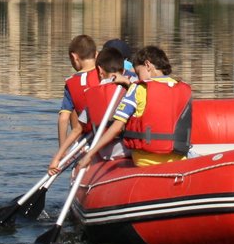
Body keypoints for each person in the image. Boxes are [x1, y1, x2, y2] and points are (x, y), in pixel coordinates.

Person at [78, 45, 193, 169]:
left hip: (145, 160)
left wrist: (89, 154)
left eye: (138, 72)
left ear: (148, 65)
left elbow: (116, 128)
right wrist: (128, 83)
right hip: (178, 159)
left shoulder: (138, 88)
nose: (138, 78)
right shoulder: (183, 89)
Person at [51, 46, 136, 174]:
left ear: (100, 70)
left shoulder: (95, 95)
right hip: (132, 151)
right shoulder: (137, 86)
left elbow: (77, 130)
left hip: (107, 153)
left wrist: (56, 158)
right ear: (123, 69)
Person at [56, 34, 99, 149]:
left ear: (74, 57)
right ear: (96, 54)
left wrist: (62, 149)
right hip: (109, 134)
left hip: (87, 138)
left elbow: (63, 118)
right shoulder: (106, 73)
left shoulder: (71, 83)